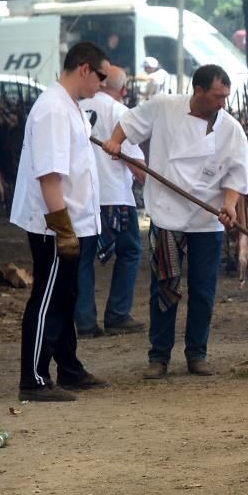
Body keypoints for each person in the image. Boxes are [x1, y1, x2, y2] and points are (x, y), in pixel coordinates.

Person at [103, 65, 248, 379]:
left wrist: (230, 206)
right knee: (165, 286)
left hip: (208, 218)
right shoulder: (165, 107)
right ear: (198, 91)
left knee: (203, 289)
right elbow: (129, 123)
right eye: (217, 96)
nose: (223, 103)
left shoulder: (231, 129)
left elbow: (236, 174)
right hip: (168, 213)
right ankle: (159, 357)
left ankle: (197, 354)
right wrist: (115, 142)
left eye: (226, 96)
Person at [10, 41, 111, 402]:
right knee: (48, 297)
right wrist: (63, 227)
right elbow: (49, 175)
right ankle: (33, 378)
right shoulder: (53, 108)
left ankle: (67, 366)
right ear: (84, 69)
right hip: (54, 222)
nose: (102, 84)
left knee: (67, 296)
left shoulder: (71, 107)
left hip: (71, 220)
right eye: (101, 76)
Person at [76, 65, 147, 338]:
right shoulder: (119, 112)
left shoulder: (77, 108)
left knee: (83, 258)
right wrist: (151, 185)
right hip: (114, 195)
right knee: (129, 251)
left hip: (83, 196)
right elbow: (136, 165)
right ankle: (117, 315)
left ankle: (84, 322)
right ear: (123, 89)